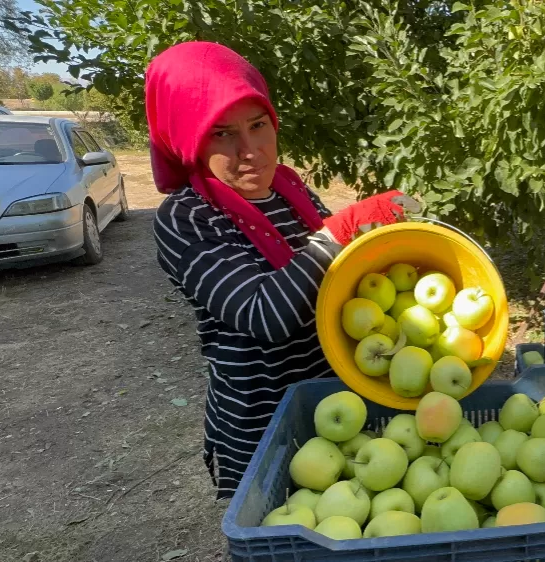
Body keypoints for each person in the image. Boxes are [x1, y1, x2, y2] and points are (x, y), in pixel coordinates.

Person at [146, 41, 417, 498]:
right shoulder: (188, 217)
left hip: (336, 405)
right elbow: (262, 314)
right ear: (187, 138)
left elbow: (335, 278)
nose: (250, 150)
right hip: (262, 423)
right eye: (221, 133)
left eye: (258, 125)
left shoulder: (290, 190)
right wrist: (339, 232)